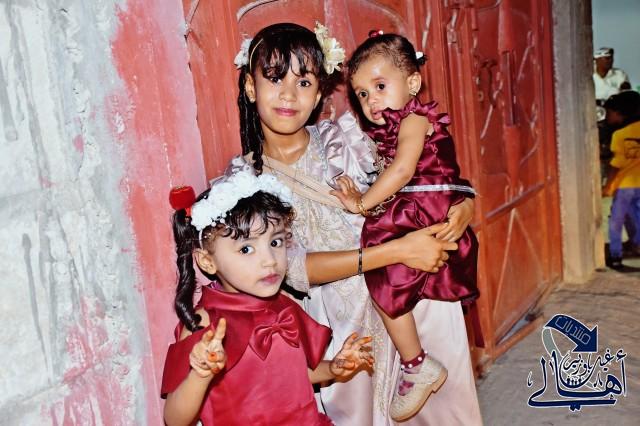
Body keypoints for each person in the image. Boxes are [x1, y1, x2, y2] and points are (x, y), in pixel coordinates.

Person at [236, 22, 482, 425]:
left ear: (319, 92)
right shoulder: (246, 184)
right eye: (275, 79)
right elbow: (289, 268)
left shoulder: (347, 138)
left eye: (303, 82)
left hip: (417, 293)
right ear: (250, 87)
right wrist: (396, 250)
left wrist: (465, 202)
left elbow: (424, 174)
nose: (288, 95)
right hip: (342, 325)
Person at [330, 32, 478, 421]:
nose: (371, 100)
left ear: (413, 83)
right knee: (385, 275)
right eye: (362, 94)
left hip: (421, 214)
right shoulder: (392, 129)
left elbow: (402, 171)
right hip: (422, 210)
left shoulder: (414, 120)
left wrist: (362, 203)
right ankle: (415, 362)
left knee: (384, 275)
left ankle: (416, 363)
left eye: (380, 86)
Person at [160, 159, 375, 426]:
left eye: (275, 242)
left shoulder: (283, 306)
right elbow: (174, 419)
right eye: (246, 249)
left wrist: (333, 368)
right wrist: (199, 375)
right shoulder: (204, 323)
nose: (270, 260)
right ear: (207, 261)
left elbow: (294, 376)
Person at [602, 90, 640, 270]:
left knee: (616, 221)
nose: (607, 117)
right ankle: (637, 245)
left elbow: (616, 165)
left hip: (625, 186)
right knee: (636, 217)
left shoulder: (619, 135)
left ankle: (615, 255)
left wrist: (608, 186)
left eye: (609, 113)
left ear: (620, 113)